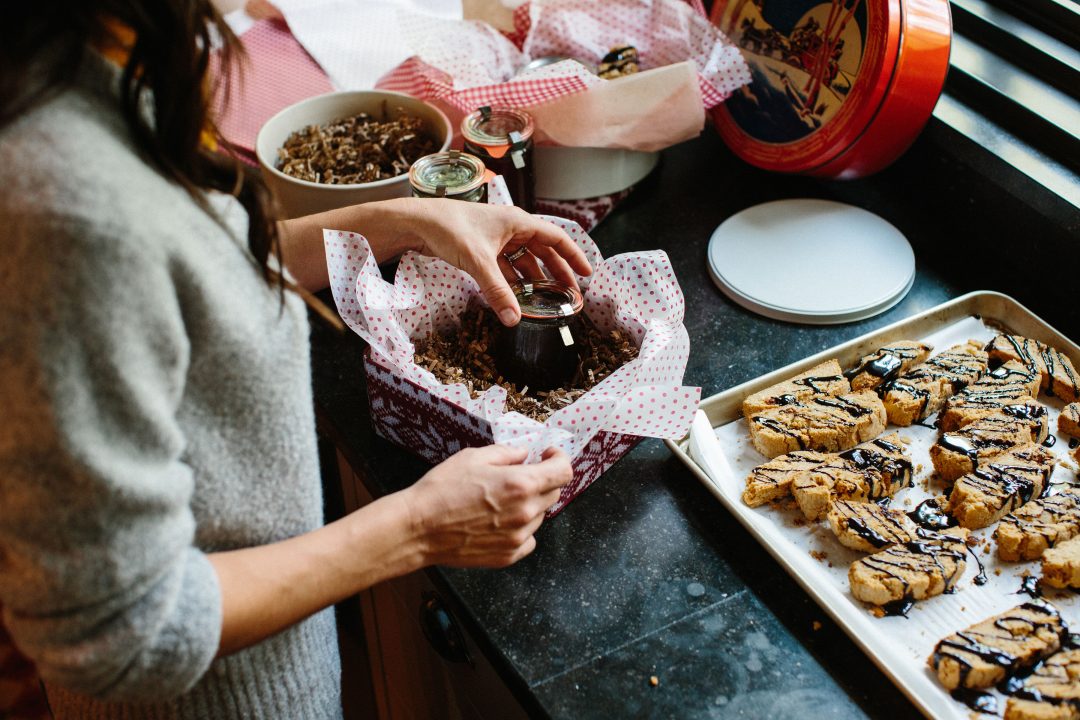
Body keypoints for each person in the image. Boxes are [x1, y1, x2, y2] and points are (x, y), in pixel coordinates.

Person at [0, 2, 592, 718]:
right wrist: (420, 526)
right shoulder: (62, 212)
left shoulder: (89, 69)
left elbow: (191, 267)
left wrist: (408, 219)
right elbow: (125, 632)